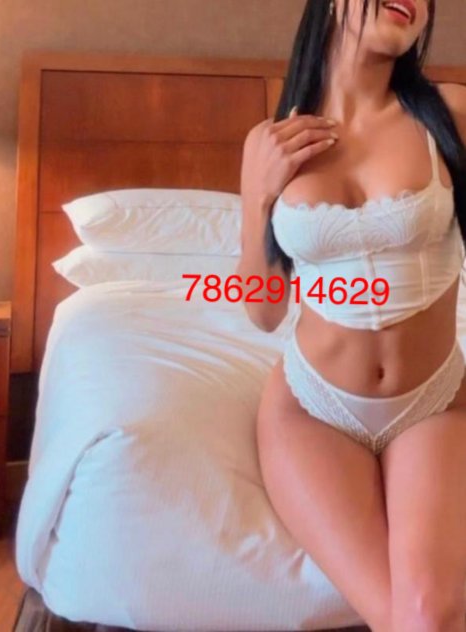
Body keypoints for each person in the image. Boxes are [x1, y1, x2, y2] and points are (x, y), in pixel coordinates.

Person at [236, 1, 466, 630]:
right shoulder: (270, 142)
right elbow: (263, 310)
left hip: (434, 401)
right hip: (312, 412)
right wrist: (257, 198)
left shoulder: (448, 113)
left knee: (427, 616)